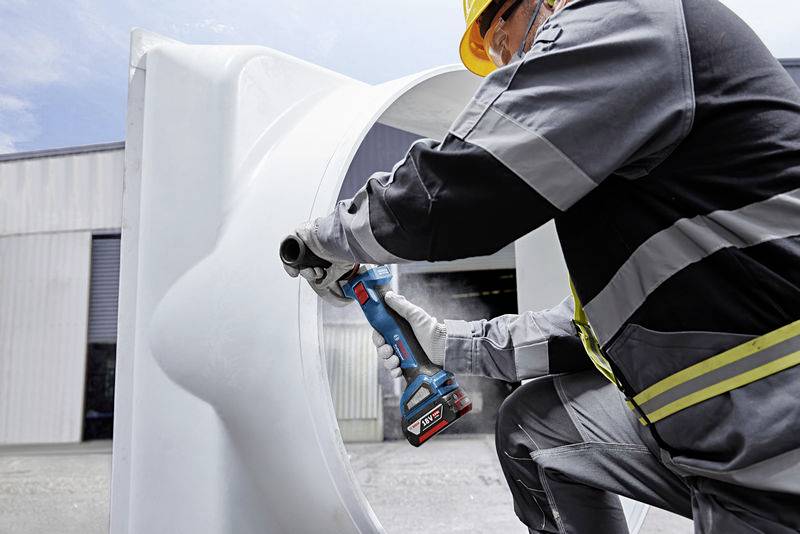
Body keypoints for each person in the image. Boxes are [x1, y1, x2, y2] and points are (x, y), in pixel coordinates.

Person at [284, 0, 800, 531]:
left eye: (504, 48)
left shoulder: (630, 17)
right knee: (535, 427)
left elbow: (462, 186)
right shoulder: (631, 173)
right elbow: (588, 334)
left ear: (536, 5)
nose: (514, 73)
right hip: (718, 437)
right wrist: (447, 341)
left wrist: (327, 240)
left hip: (777, 437)